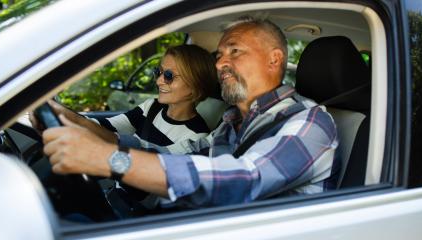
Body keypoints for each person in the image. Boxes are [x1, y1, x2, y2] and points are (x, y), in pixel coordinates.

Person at [41, 16, 338, 209]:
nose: (221, 63)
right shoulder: (233, 121)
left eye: (235, 51)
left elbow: (243, 179)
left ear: (274, 60)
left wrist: (110, 159)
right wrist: (101, 138)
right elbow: (181, 157)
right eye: (219, 55)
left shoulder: (311, 122)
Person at [32, 44, 219, 149]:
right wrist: (64, 116)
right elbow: (108, 126)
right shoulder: (151, 107)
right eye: (158, 72)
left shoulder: (197, 137)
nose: (159, 81)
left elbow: (148, 155)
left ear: (195, 88)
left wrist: (67, 117)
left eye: (169, 76)